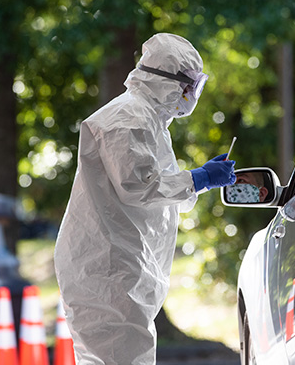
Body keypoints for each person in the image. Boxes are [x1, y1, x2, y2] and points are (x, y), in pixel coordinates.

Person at [54, 33, 236, 365]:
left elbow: (162, 192)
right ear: (170, 83)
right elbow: (140, 188)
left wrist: (199, 182)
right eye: (189, 86)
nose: (190, 96)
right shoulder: (127, 120)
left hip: (118, 264)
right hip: (106, 267)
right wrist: (201, 178)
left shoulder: (149, 121)